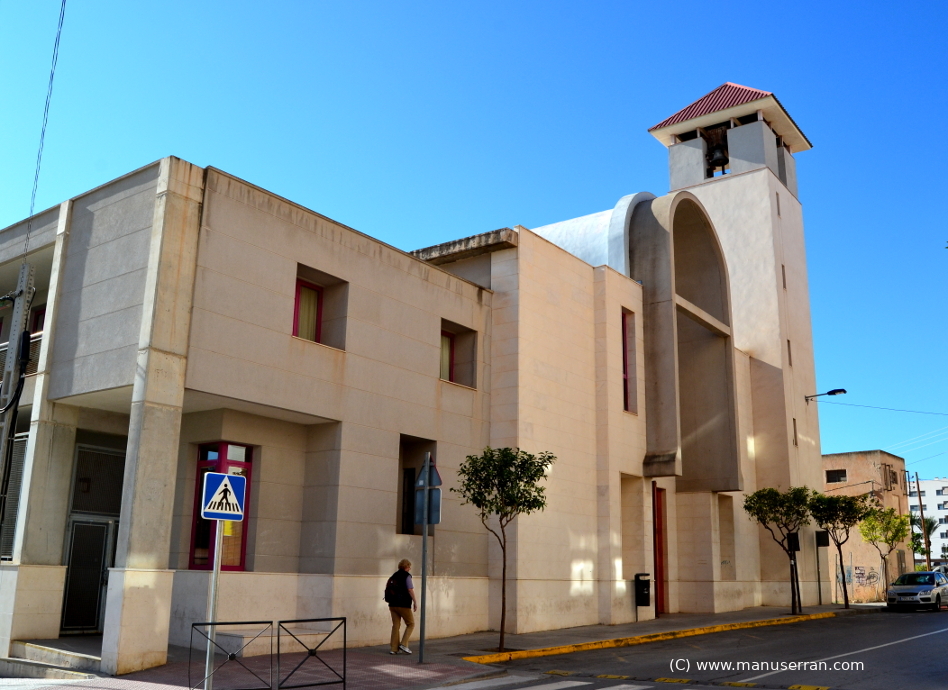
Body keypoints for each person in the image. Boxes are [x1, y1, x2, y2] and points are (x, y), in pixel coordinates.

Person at [384, 559, 417, 654]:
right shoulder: (407, 576)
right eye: (409, 567)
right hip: (403, 604)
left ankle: (393, 648)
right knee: (411, 624)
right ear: (406, 567)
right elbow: (410, 589)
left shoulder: (393, 576)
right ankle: (403, 644)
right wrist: (415, 602)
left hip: (392, 604)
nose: (410, 568)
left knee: (395, 626)